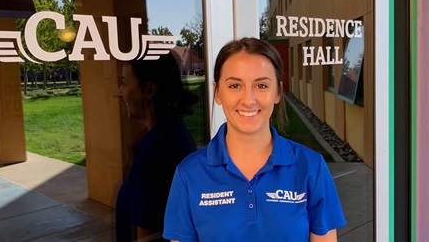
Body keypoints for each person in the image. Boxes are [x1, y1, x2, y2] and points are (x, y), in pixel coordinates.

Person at [163, 38, 346, 242]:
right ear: (217, 92)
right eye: (234, 85)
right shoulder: (189, 174)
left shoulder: (311, 167)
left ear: (278, 92)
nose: (248, 100)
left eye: (261, 85)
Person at [116, 52, 198, 242]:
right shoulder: (168, 137)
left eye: (124, 82)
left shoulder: (157, 154)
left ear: (150, 90)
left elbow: (149, 235)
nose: (120, 92)